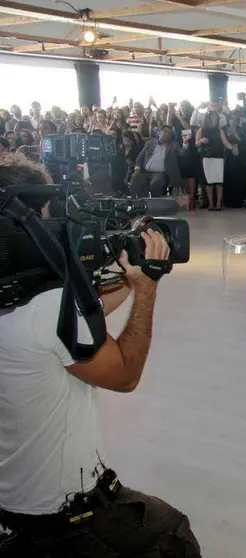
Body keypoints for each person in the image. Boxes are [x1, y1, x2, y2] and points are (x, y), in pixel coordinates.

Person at [0, 155, 201, 555]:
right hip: (59, 513)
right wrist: (147, 290)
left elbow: (78, 313)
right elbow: (126, 375)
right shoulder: (45, 308)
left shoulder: (23, 296)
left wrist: (132, 272)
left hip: (10, 499)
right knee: (172, 537)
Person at [196, 110, 234, 211]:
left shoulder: (219, 131)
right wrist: (201, 141)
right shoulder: (202, 130)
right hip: (207, 157)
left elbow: (225, 142)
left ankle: (218, 203)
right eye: (213, 117)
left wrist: (233, 148)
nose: (215, 119)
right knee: (209, 181)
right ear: (208, 119)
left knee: (219, 181)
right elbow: (196, 144)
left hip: (218, 157)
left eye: (216, 118)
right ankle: (211, 203)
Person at [130, 125, 182, 198]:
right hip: (145, 171)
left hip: (160, 173)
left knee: (156, 183)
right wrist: (137, 169)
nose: (167, 134)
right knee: (135, 180)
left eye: (170, 133)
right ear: (159, 132)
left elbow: (181, 153)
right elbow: (140, 157)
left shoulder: (174, 145)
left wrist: (185, 143)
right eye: (165, 132)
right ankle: (140, 202)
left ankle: (155, 203)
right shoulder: (149, 143)